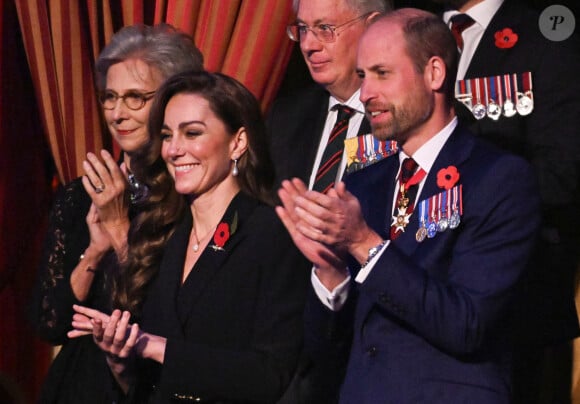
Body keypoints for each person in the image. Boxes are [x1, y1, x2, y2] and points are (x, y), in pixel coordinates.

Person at [277, 8, 541, 402]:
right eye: (363, 76)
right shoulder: (362, 185)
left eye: (382, 74)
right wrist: (329, 273)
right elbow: (327, 349)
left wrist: (364, 243)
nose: (366, 93)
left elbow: (466, 324)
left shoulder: (498, 178)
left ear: (434, 73)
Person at [67, 71, 312, 403]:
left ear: (237, 142)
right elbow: (140, 387)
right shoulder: (159, 233)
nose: (174, 150)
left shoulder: (271, 233)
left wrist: (154, 346)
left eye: (192, 133)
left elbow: (272, 375)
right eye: (167, 136)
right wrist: (120, 357)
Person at [30, 24, 203, 403]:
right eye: (110, 97)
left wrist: (120, 226)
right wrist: (94, 251)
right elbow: (50, 324)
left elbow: (169, 324)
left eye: (136, 98)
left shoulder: (191, 198)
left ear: (173, 100)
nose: (118, 113)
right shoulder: (81, 195)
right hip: (76, 388)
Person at [429, 0, 580, 401]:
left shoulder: (547, 35)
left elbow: (563, 170)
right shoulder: (414, 31)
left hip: (509, 298)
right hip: (417, 293)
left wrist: (464, 205)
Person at [267, 0, 393, 192]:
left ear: (373, 27)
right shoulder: (285, 117)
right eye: (302, 28)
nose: (308, 45)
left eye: (325, 28)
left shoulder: (407, 116)